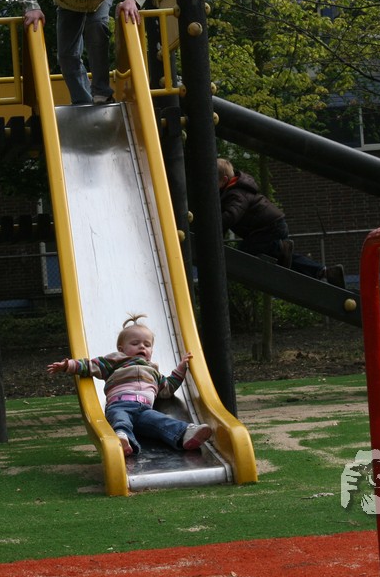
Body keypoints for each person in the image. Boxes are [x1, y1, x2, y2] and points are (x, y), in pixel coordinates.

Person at [46, 314, 212, 456]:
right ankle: (123, 439)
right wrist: (68, 366)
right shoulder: (116, 360)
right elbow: (90, 366)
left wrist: (181, 369)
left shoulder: (153, 371)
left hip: (144, 410)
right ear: (122, 349)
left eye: (147, 345)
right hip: (120, 404)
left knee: (161, 421)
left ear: (151, 351)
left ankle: (185, 434)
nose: (142, 346)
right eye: (135, 343)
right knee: (120, 419)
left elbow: (167, 389)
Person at [12, 0, 149, 105]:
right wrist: (32, 7)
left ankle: (102, 93)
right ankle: (82, 100)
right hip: (68, 6)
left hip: (99, 3)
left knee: (97, 28)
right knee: (66, 54)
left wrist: (132, 0)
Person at [217, 158, 346, 288]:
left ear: (224, 179)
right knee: (284, 259)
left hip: (269, 228)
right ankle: (325, 272)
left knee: (244, 252)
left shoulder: (236, 193)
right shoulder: (232, 191)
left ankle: (279, 248)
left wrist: (213, 229)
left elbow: (231, 216)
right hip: (273, 226)